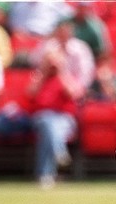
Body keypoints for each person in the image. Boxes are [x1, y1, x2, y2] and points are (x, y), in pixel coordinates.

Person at [28, 19, 95, 188]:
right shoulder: (41, 77)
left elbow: (75, 93)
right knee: (48, 122)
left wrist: (62, 70)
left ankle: (45, 176)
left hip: (65, 118)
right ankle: (59, 151)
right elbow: (30, 93)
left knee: (51, 128)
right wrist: (44, 70)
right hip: (41, 117)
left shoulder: (66, 77)